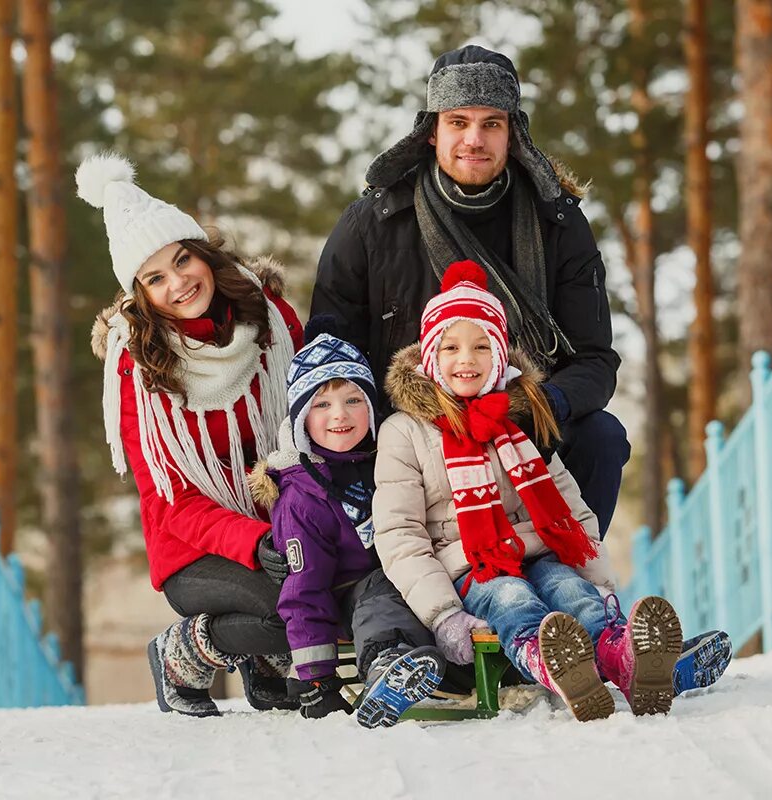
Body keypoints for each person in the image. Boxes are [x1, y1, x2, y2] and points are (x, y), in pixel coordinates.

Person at [313, 43, 732, 694]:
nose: (473, 139)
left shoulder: (556, 222)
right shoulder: (373, 222)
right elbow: (330, 348)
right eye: (458, 122)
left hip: (523, 424)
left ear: (514, 131)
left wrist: (535, 407)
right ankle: (490, 634)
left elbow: (595, 358)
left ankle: (602, 639)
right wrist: (393, 424)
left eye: (491, 123)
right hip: (412, 440)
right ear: (431, 132)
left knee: (603, 438)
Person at [374, 261, 685, 720]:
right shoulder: (405, 431)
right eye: (452, 347)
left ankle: (624, 659)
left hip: (537, 551)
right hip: (469, 563)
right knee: (510, 598)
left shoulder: (520, 417)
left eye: (482, 346)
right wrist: (443, 614)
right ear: (430, 359)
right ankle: (554, 662)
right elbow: (399, 533)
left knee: (569, 591)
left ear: (500, 356)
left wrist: (598, 582)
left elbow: (570, 506)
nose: (467, 359)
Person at [79, 152, 305, 717]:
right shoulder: (137, 369)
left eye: (183, 261)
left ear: (202, 253)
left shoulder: (269, 317)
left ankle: (268, 659)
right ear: (140, 294)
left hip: (282, 513)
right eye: (156, 278)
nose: (179, 283)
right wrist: (252, 543)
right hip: (195, 544)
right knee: (293, 606)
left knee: (335, 584)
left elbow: (308, 421)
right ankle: (184, 654)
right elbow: (170, 500)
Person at [248, 317, 445, 727]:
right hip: (350, 598)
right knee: (379, 593)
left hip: (419, 573)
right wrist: (317, 681)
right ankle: (388, 667)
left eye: (354, 400)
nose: (340, 415)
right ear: (301, 418)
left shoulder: (390, 459)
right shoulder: (303, 495)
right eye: (321, 404)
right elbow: (303, 591)